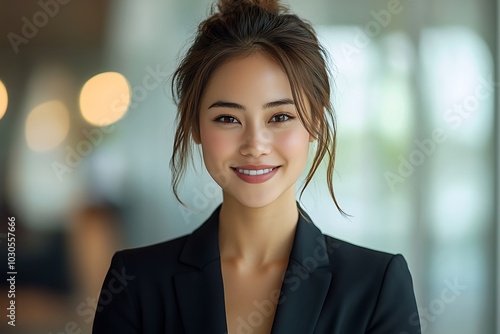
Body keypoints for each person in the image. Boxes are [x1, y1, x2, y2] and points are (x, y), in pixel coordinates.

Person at [92, 0, 421, 333]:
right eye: (227, 118)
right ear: (195, 126)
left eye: (280, 117)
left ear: (316, 123)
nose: (255, 145)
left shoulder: (376, 285)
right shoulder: (135, 283)